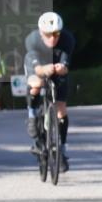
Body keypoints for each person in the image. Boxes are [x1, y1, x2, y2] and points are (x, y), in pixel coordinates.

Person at [24, 12, 76, 172]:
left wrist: (62, 68)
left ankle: (62, 149)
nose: (53, 38)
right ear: (41, 33)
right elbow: (37, 68)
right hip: (37, 66)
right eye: (48, 35)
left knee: (61, 110)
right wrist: (42, 70)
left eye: (56, 34)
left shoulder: (67, 39)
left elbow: (65, 64)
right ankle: (32, 116)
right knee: (36, 84)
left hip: (56, 67)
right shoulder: (32, 40)